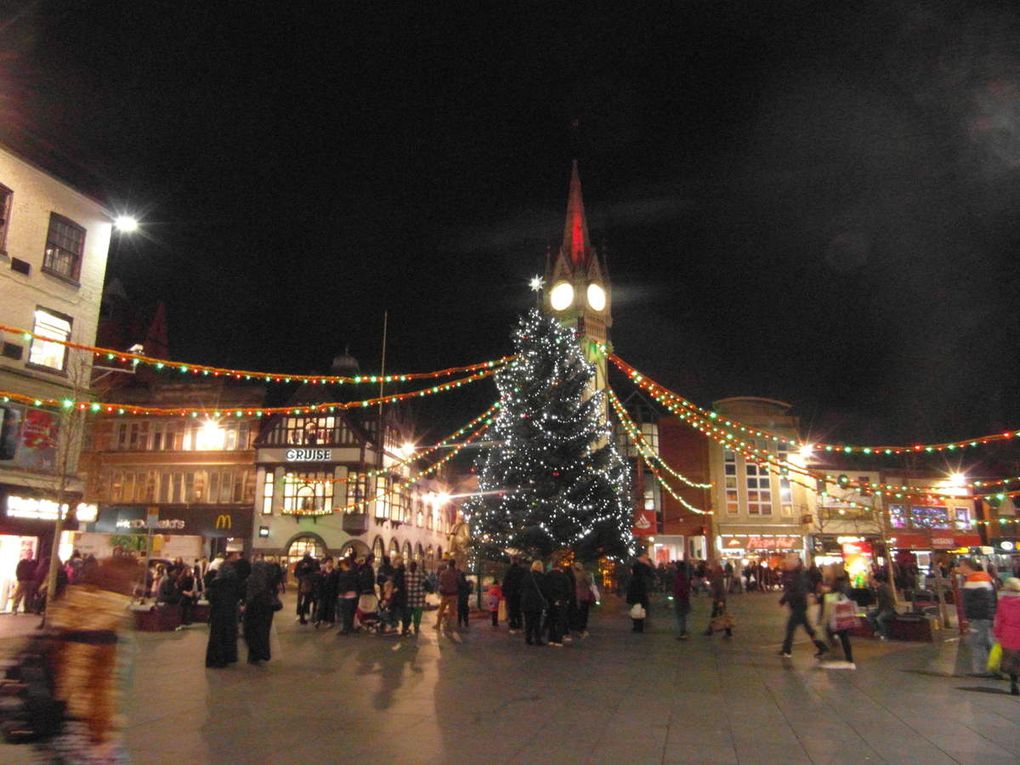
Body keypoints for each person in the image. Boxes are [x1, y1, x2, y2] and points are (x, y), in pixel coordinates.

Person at [779, 556, 829, 659]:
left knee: (791, 628)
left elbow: (795, 590)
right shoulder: (795, 574)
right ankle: (821, 646)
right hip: (798, 605)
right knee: (807, 629)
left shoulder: (798, 575)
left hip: (799, 605)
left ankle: (787, 649)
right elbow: (790, 590)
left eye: (786, 564)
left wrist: (785, 599)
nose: (784, 566)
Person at [958, 558, 997, 676]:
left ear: (966, 566)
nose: (960, 569)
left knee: (977, 643)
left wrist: (968, 616)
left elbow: (969, 602)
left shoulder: (973, 580)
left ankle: (981, 670)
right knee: (988, 641)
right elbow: (993, 598)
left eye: (961, 566)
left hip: (978, 617)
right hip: (987, 616)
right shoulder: (985, 577)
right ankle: (994, 668)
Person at [243, 558, 280, 664]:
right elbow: (275, 590)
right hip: (266, 608)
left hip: (252, 607)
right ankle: (262, 653)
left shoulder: (250, 579)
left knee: (252, 630)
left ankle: (253, 654)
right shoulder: (268, 580)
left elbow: (245, 592)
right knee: (264, 631)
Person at [818, 567, 855, 668]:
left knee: (831, 632)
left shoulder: (836, 586)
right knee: (844, 637)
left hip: (835, 615)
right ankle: (848, 657)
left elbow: (829, 599)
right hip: (843, 615)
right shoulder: (846, 584)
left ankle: (836, 652)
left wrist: (826, 592)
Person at [205, 565, 240, 668]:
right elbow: (237, 597)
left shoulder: (215, 583)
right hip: (230, 614)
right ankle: (227, 657)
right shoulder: (233, 584)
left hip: (217, 614)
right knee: (227, 635)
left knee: (217, 636)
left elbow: (210, 597)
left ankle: (215, 659)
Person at [993, 577, 1020, 695]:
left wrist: (998, 634)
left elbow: (999, 620)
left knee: (1011, 659)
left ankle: (1013, 683)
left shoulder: (1002, 602)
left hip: (1008, 634)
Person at [544, 562, 572, 647]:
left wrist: (551, 599)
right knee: (560, 621)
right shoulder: (564, 576)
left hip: (551, 601)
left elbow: (546, 589)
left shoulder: (548, 576)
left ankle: (551, 639)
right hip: (562, 600)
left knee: (551, 620)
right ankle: (558, 640)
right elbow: (569, 589)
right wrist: (566, 599)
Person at [520, 560, 547, 646]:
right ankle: (537, 639)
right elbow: (544, 590)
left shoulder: (527, 576)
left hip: (526, 601)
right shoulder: (542, 577)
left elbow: (522, 588)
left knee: (528, 621)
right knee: (537, 621)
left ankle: (528, 638)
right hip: (537, 601)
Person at [703, 562, 732, 637]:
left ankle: (711, 629)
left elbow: (719, 588)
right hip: (719, 598)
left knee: (717, 614)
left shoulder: (717, 575)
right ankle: (726, 630)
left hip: (719, 599)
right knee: (719, 614)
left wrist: (721, 600)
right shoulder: (717, 574)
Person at [626, 554, 654, 632]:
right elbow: (651, 574)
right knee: (640, 609)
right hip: (640, 592)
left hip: (637, 592)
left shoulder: (636, 567)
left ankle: (637, 626)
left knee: (637, 609)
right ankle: (639, 626)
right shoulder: (642, 567)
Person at [435, 559, 461, 641]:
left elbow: (440, 582)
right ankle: (448, 625)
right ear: (454, 564)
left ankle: (438, 624)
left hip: (445, 594)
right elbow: (459, 582)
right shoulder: (456, 573)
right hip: (453, 594)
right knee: (451, 611)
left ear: (448, 564)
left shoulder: (443, 573)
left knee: (441, 610)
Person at [866, 573, 896, 640]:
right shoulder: (879, 587)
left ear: (876, 580)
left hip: (888, 609)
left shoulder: (883, 588)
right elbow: (875, 596)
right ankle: (878, 630)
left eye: (873, 580)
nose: (872, 581)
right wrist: (871, 588)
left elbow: (886, 600)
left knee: (879, 618)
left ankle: (885, 635)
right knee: (869, 615)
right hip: (881, 609)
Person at [335, 558, 360, 635]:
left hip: (345, 595)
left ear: (343, 564)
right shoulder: (354, 573)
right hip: (353, 595)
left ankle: (345, 629)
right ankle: (350, 627)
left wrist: (341, 592)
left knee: (344, 613)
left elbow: (343, 585)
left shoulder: (344, 574)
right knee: (351, 613)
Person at [294, 551, 319, 625]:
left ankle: (303, 615)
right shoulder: (303, 563)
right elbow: (297, 573)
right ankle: (304, 615)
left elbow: (296, 574)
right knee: (306, 600)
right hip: (306, 584)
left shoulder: (312, 562)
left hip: (307, 584)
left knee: (305, 600)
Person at [404, 560, 427, 635]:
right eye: (411, 567)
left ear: (416, 567)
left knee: (418, 614)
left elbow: (424, 584)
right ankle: (406, 626)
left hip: (418, 597)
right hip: (409, 597)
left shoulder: (420, 574)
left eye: (413, 567)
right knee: (408, 614)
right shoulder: (406, 574)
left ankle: (416, 626)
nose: (412, 568)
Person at [571, 562, 595, 637]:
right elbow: (589, 582)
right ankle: (582, 628)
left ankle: (576, 627)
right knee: (584, 612)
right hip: (584, 595)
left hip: (576, 595)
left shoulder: (573, 574)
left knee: (577, 612)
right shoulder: (584, 574)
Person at [314, 557, 338, 628]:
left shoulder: (335, 573)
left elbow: (336, 583)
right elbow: (319, 583)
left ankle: (330, 621)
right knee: (320, 607)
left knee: (331, 608)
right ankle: (318, 620)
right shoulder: (322, 573)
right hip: (323, 593)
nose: (329, 564)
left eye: (331, 562)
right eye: (328, 562)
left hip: (331, 593)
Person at [503, 557, 525, 634]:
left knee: (512, 611)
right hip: (519, 594)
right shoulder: (522, 571)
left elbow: (505, 583)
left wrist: (505, 593)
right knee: (519, 611)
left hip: (511, 594)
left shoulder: (509, 571)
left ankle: (513, 626)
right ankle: (520, 625)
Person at [673, 559, 692, 640]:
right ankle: (683, 632)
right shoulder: (684, 575)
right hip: (683, 598)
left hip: (680, 598)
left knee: (680, 616)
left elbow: (680, 588)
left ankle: (682, 632)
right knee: (682, 616)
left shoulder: (679, 576)